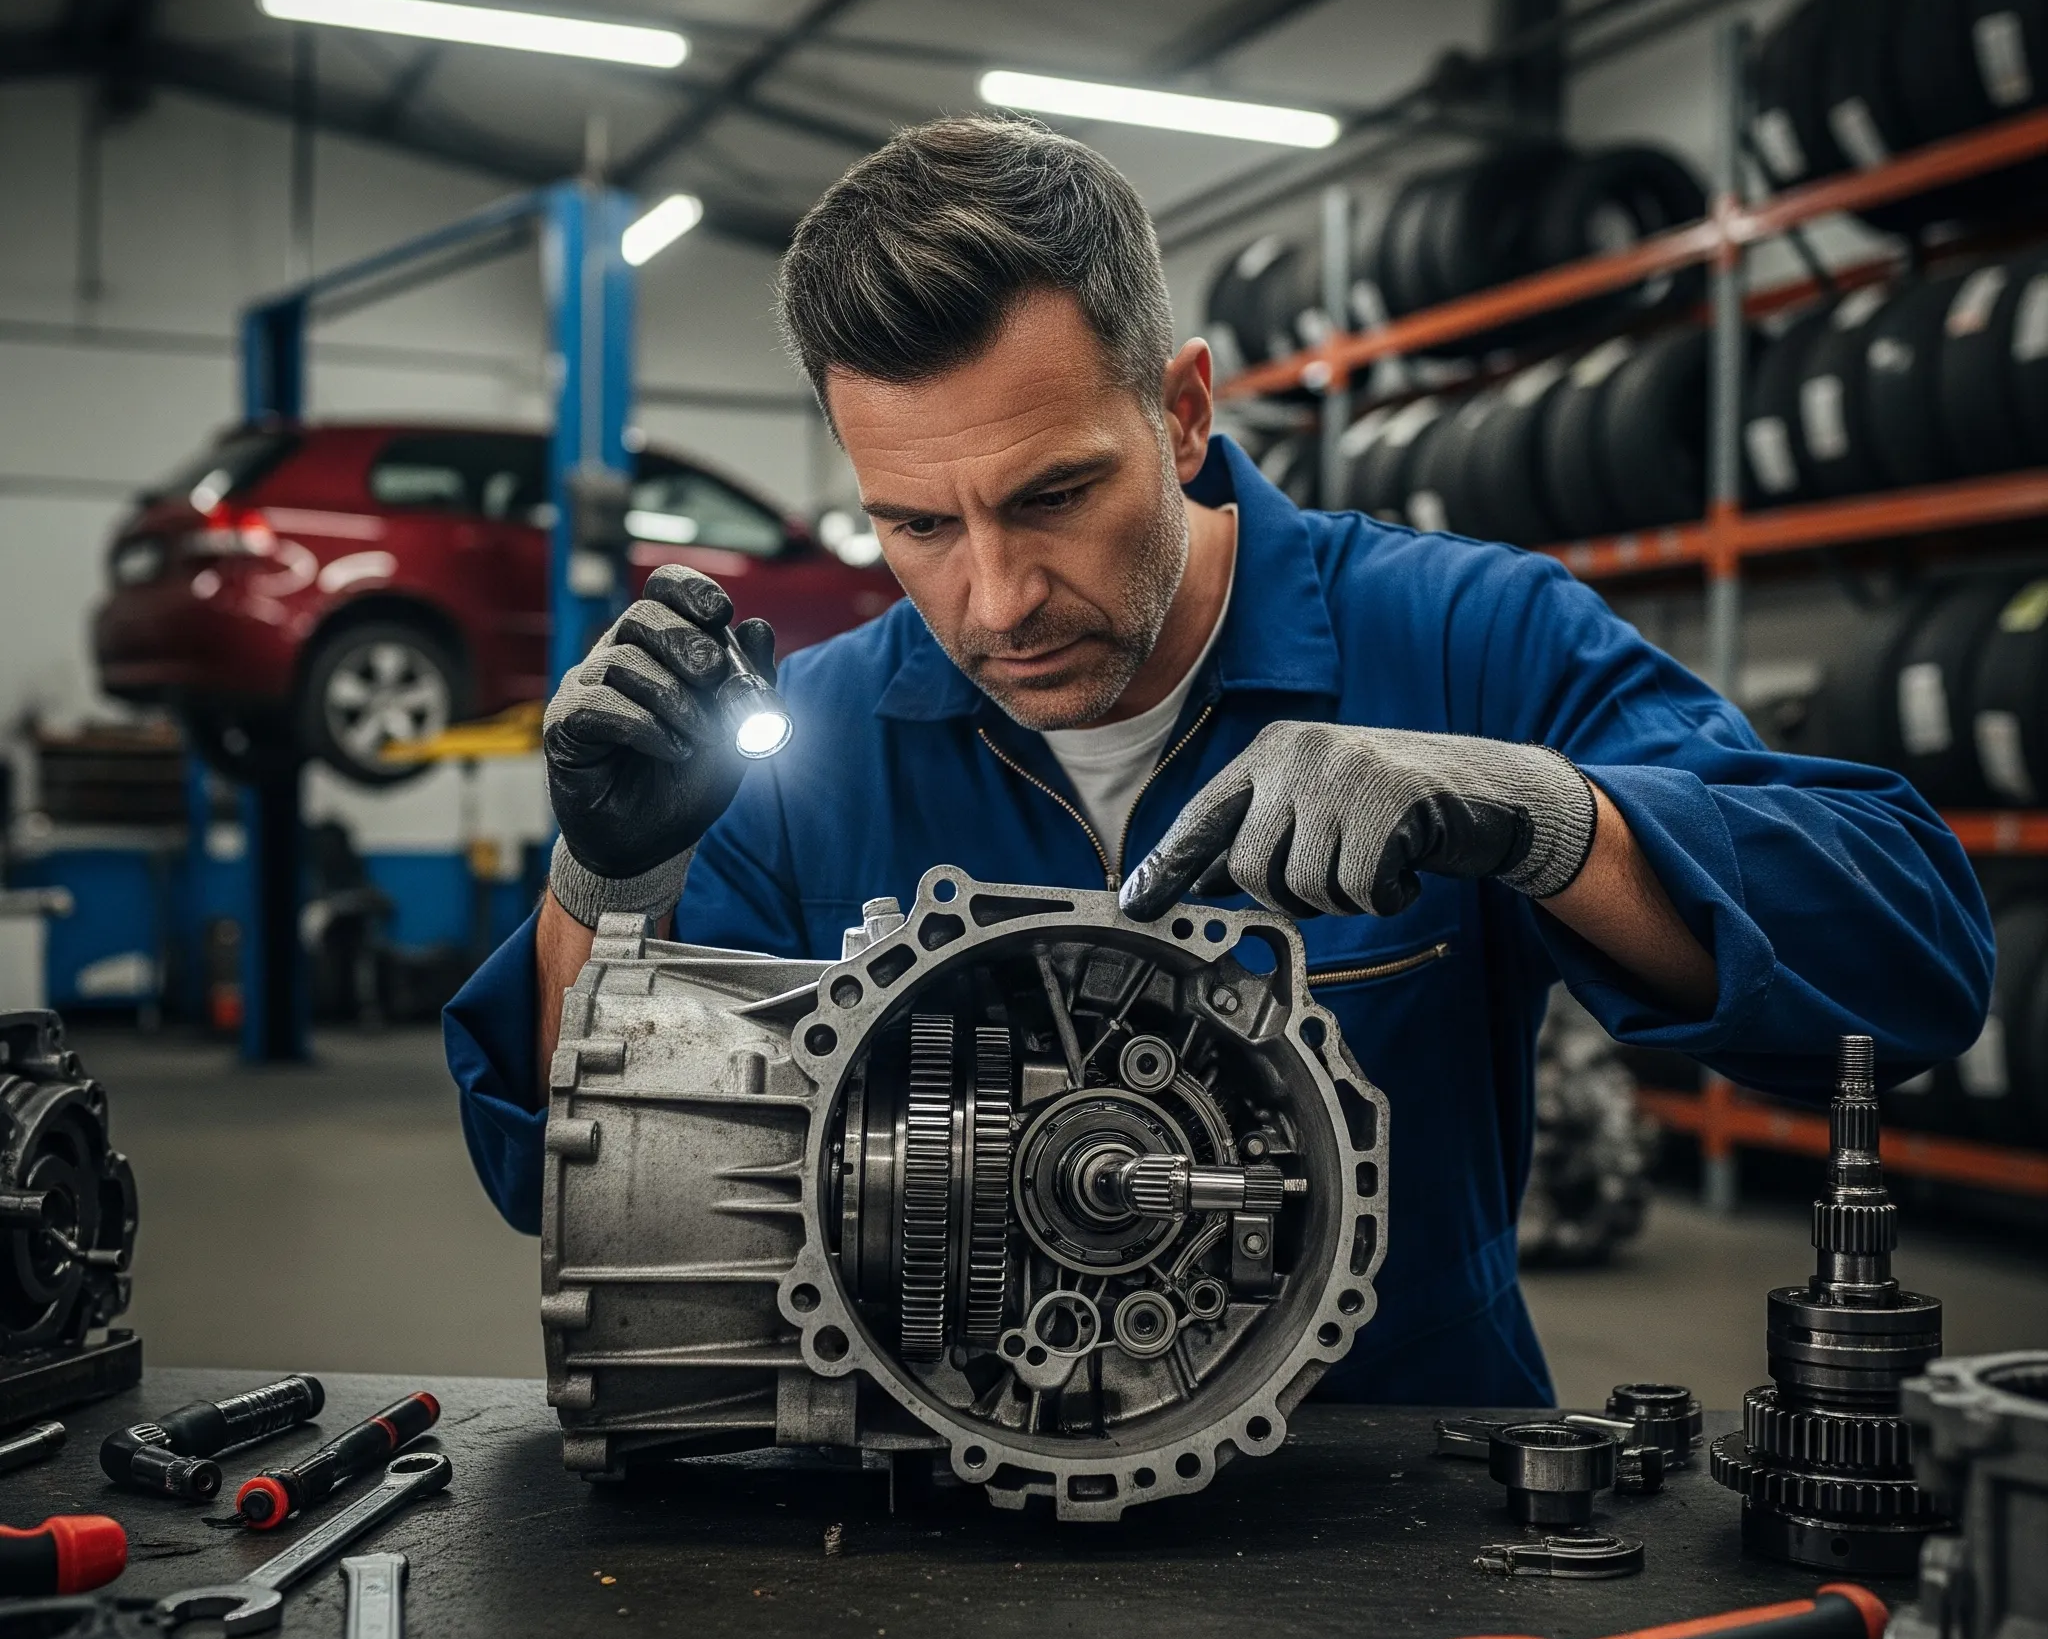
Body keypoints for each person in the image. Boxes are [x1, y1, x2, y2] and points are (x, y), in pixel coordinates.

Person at [445, 116, 1992, 1404]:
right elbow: (585, 1185)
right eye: (916, 524)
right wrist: (611, 875)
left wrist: (1551, 817)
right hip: (938, 1534)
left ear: (1182, 412)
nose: (993, 599)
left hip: (1396, 1502)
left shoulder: (1463, 642)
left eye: (1053, 496)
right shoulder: (809, 747)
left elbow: (1912, 963)